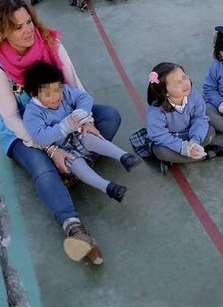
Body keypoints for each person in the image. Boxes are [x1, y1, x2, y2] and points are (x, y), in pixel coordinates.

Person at [0, 0, 122, 264]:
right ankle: (75, 228)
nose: (27, 30)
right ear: (3, 31)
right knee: (42, 168)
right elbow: (12, 117)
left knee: (110, 118)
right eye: (17, 27)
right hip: (26, 134)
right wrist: (51, 148)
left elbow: (75, 86)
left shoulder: (51, 42)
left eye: (28, 23)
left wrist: (86, 121)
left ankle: (72, 168)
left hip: (65, 119)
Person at [21, 61, 139, 203]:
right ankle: (108, 188)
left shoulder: (65, 92)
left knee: (91, 138)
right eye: (48, 93)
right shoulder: (32, 112)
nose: (56, 96)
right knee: (77, 164)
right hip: (60, 148)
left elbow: (85, 98)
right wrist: (63, 127)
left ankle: (124, 157)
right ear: (35, 95)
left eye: (57, 89)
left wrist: (81, 113)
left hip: (77, 132)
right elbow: (39, 137)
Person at [144, 62, 223, 171]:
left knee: (210, 131)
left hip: (190, 133)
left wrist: (195, 139)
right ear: (165, 92)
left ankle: (176, 159)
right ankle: (205, 155)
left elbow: (200, 118)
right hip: (169, 140)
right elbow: (159, 136)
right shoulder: (156, 110)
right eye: (178, 83)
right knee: (160, 151)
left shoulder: (194, 95)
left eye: (184, 77)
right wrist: (182, 147)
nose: (185, 83)